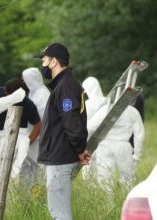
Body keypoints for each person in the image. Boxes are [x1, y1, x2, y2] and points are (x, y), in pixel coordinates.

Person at [37, 43, 90, 220]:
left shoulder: (65, 87)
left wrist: (81, 149)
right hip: (60, 156)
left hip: (60, 158)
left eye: (44, 61)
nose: (42, 66)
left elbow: (71, 122)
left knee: (59, 214)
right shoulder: (64, 85)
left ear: (53, 62)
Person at [86, 77, 145, 185]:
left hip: (105, 146)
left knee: (105, 182)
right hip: (123, 146)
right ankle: (125, 201)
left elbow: (90, 128)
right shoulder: (133, 112)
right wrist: (137, 156)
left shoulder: (104, 110)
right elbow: (139, 136)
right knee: (127, 180)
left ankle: (107, 202)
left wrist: (86, 146)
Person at [0, 78, 41, 182]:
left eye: (8, 94)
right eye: (5, 92)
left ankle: (6, 194)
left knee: (9, 171)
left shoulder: (27, 103)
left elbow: (38, 124)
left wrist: (27, 141)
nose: (6, 95)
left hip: (17, 138)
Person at [20, 67, 50, 188]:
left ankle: (40, 200)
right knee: (26, 170)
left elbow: (42, 122)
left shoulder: (42, 95)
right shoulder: (34, 93)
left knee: (40, 170)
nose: (23, 81)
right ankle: (25, 202)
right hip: (32, 139)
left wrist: (30, 139)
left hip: (38, 140)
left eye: (24, 79)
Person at [81, 77, 107, 180]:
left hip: (89, 141)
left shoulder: (87, 104)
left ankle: (92, 194)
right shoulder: (107, 101)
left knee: (88, 174)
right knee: (103, 173)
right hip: (105, 141)